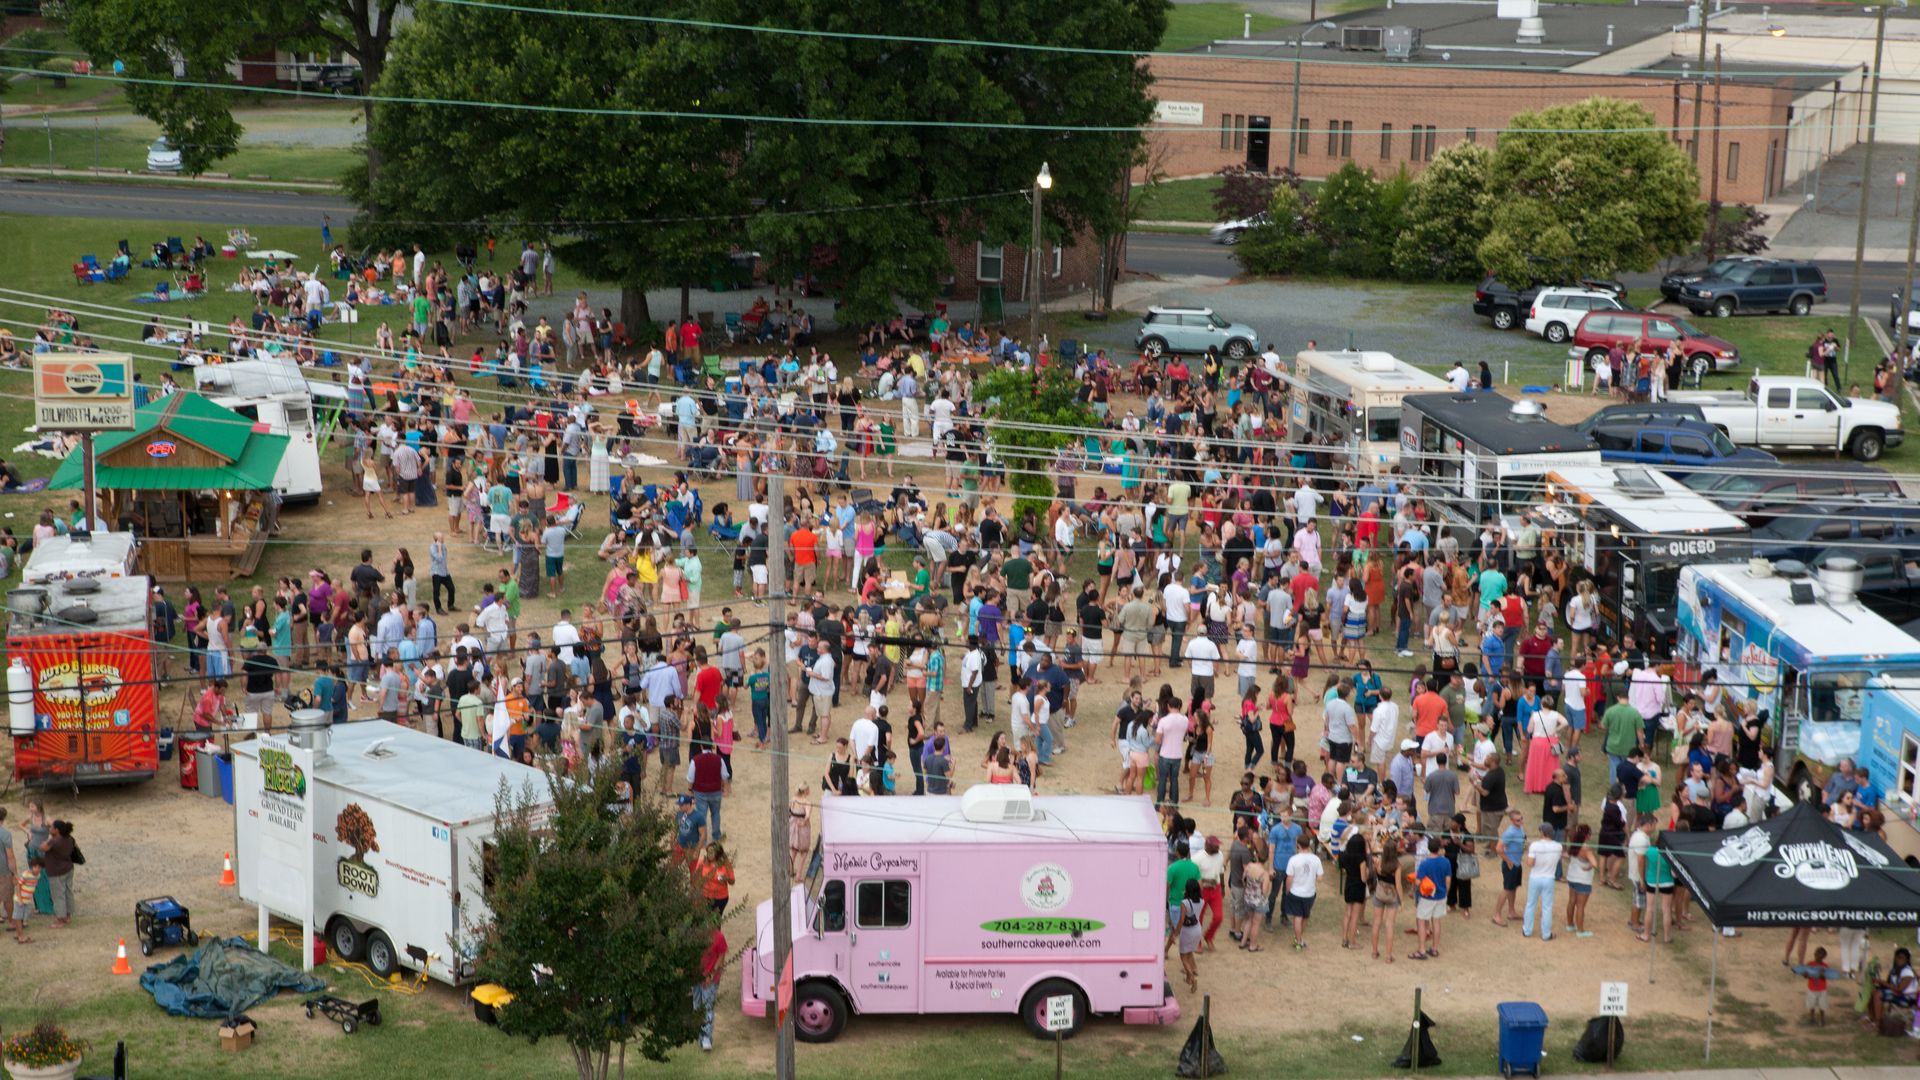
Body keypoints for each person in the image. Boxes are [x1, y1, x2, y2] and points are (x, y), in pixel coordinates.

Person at [1412, 840, 1450, 961]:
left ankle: (1422, 949)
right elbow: (1448, 880)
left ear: (1428, 848)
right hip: (1441, 895)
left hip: (1427, 897)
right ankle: (1434, 948)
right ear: (1439, 848)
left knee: (1421, 921)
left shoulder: (1425, 864)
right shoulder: (1446, 862)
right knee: (1436, 921)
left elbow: (1418, 882)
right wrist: (1445, 893)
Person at [1282, 842, 1323, 951]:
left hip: (1295, 892)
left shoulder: (1293, 859)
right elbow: (1320, 878)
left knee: (1297, 917)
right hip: (1309, 893)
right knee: (1305, 916)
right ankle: (1298, 939)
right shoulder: (1316, 859)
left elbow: (1289, 878)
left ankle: (1298, 940)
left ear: (1298, 846)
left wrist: (1287, 890)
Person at [1868, 947, 1918, 1031]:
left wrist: (1882, 982)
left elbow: (1899, 989)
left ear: (1907, 960)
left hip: (1907, 998)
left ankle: (1878, 1023)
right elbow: (1890, 984)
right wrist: (1878, 983)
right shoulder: (1895, 970)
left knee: (1878, 994)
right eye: (1898, 957)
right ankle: (1873, 1018)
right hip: (1897, 994)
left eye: (1902, 958)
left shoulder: (1907, 972)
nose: (1899, 960)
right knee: (1873, 991)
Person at [1792, 947, 1839, 1026]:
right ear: (1815, 955)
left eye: (1821, 956)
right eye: (1817, 955)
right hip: (1812, 989)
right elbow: (1805, 975)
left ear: (1824, 957)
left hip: (1822, 989)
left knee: (1822, 1005)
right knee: (1812, 1005)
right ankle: (1812, 1018)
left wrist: (1822, 974)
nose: (1818, 957)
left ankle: (1822, 1019)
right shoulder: (1810, 964)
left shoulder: (1825, 967)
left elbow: (1827, 976)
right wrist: (1806, 974)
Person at [1176, 880, 1204, 992]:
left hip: (1187, 931)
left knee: (1183, 956)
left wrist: (1176, 932)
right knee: (1189, 952)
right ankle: (1189, 977)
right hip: (1197, 929)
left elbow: (1182, 919)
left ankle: (1191, 977)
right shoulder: (1201, 901)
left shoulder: (1185, 903)